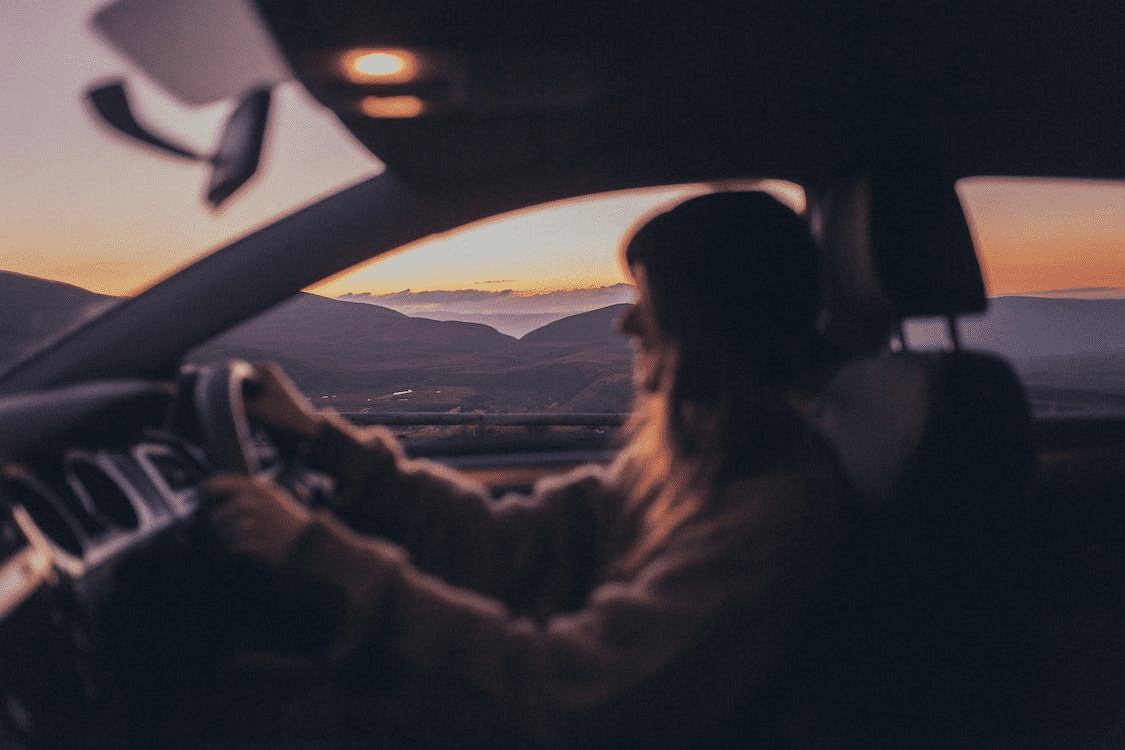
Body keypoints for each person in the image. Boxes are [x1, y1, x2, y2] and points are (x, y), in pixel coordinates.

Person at [203, 191, 852, 749]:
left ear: (710, 322)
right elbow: (508, 542)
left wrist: (318, 553)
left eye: (648, 298)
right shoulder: (689, 462)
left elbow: (566, 697)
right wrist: (323, 442)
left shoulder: (774, 510)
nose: (626, 321)